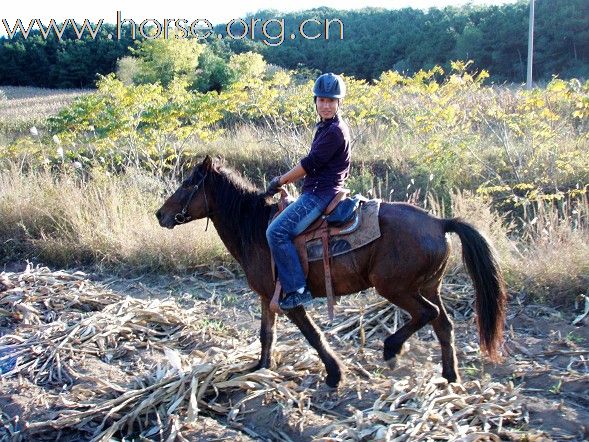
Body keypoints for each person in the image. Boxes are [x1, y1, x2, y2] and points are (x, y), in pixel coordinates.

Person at [265, 73, 351, 310]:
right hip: (318, 189)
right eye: (322, 100)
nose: (326, 105)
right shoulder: (326, 127)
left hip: (320, 194)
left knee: (276, 232)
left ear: (338, 103)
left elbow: (309, 164)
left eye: (331, 101)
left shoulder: (334, 131)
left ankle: (297, 289)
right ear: (315, 101)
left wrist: (279, 180)